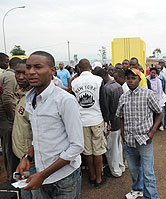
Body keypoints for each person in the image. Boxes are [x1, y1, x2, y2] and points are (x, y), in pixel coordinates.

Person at [16, 51, 84, 198]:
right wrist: (27, 157)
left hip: (64, 177)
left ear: (52, 71)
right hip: (40, 172)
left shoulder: (65, 100)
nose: (31, 72)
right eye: (28, 67)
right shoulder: (30, 98)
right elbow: (39, 135)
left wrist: (43, 175)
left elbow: (77, 146)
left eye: (38, 67)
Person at [116, 69, 163, 199]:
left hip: (144, 139)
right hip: (129, 140)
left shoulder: (148, 94)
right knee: (134, 170)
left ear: (139, 79)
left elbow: (159, 113)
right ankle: (137, 189)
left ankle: (152, 197)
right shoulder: (123, 97)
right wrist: (123, 134)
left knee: (148, 172)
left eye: (133, 78)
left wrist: (152, 132)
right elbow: (121, 117)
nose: (130, 81)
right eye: (128, 78)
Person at [71, 59, 107, 188]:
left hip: (82, 121)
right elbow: (103, 102)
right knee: (98, 151)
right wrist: (106, 120)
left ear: (79, 69)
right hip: (97, 119)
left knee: (88, 151)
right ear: (90, 67)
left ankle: (91, 176)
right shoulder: (98, 80)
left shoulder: (74, 82)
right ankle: (98, 178)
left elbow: (73, 103)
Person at [11, 59, 42, 199]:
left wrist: (28, 156)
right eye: (18, 73)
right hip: (23, 158)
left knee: (35, 194)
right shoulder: (22, 95)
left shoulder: (35, 99)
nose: (21, 77)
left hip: (32, 160)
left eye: (25, 73)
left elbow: (42, 133)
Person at [97, 68, 125, 178]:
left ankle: (115, 171)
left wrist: (106, 123)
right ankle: (120, 166)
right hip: (118, 121)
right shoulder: (118, 86)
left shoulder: (106, 89)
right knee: (118, 146)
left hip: (111, 123)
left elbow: (106, 108)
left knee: (110, 149)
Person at [0, 57, 20, 182]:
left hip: (4, 118)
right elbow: (7, 99)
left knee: (7, 148)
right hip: (7, 117)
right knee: (10, 149)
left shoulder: (5, 75)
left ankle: (10, 175)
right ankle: (12, 179)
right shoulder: (11, 77)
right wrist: (13, 119)